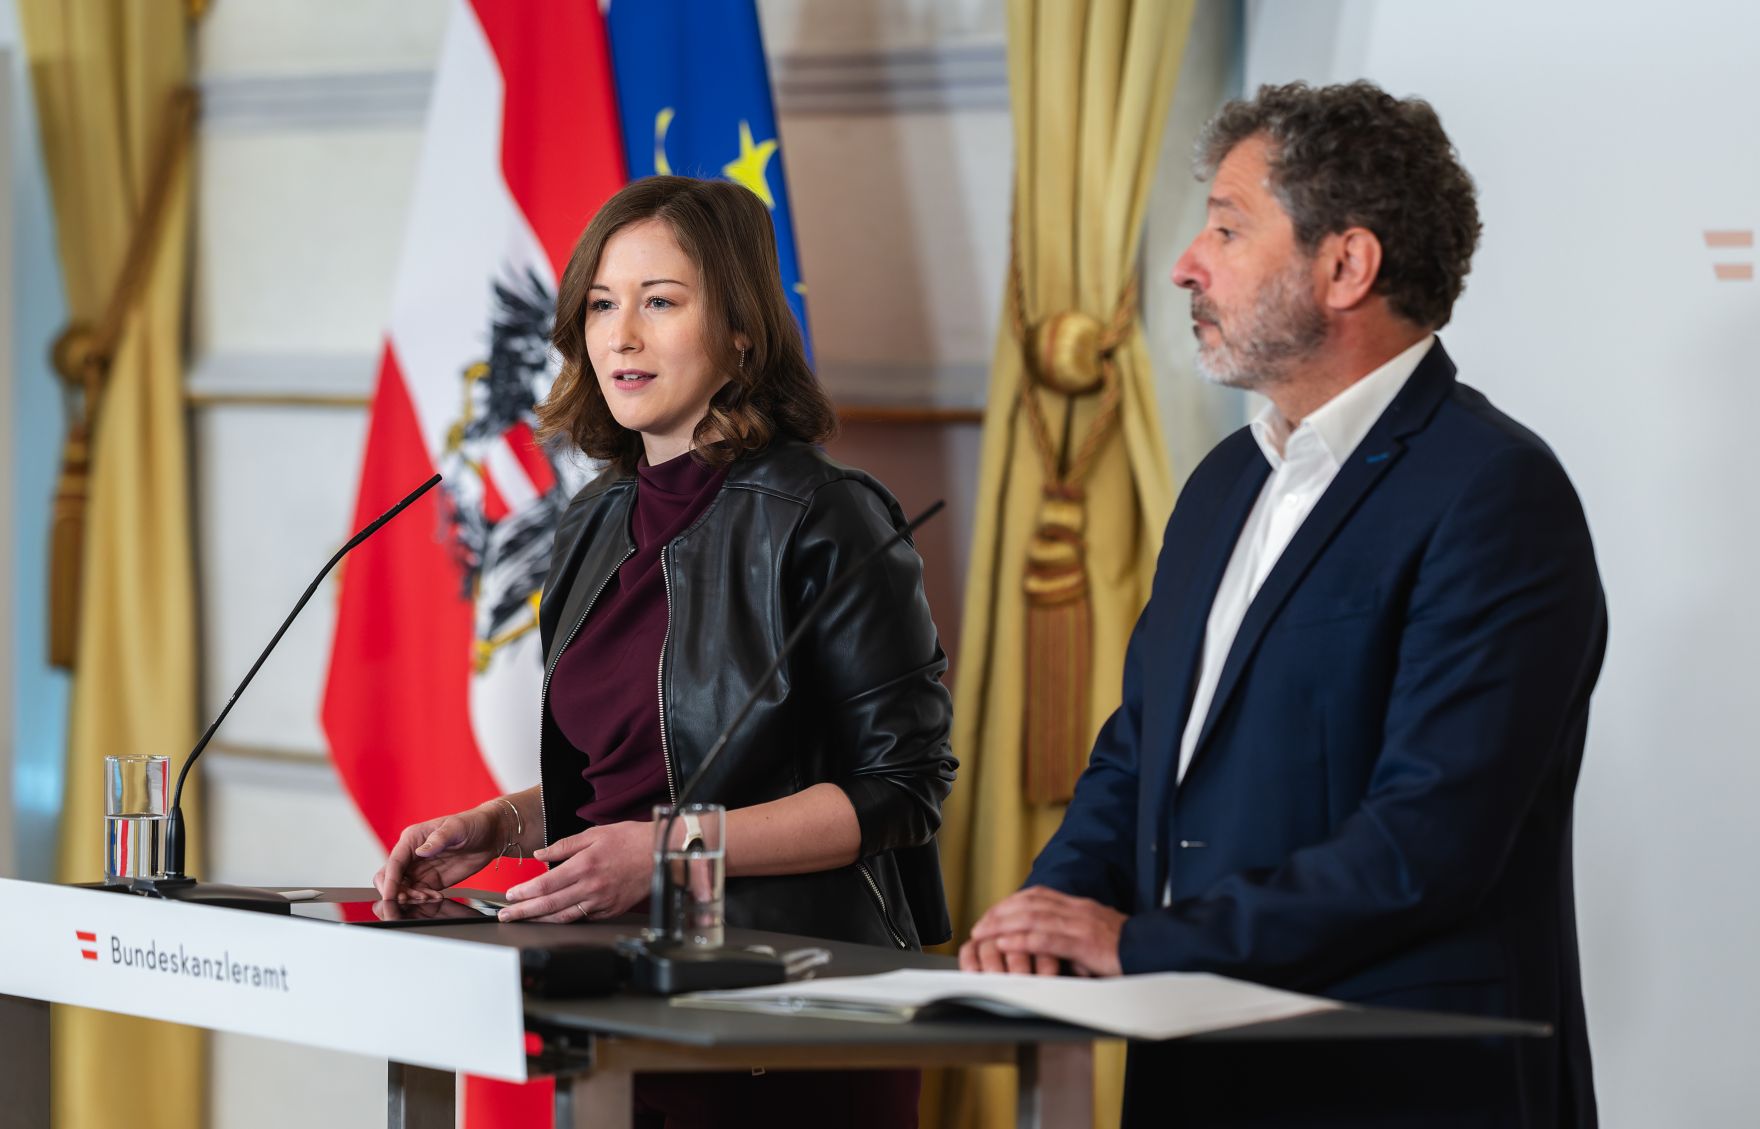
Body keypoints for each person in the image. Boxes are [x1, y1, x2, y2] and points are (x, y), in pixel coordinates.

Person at [962, 81, 1605, 1128]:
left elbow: (1425, 841)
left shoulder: (1492, 492)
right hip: (1195, 1064)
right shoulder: (1222, 482)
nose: (1183, 264)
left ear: (1345, 265)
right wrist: (1052, 912)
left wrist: (1136, 942)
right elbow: (1140, 752)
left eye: (1225, 227)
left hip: (1398, 1083)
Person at [374, 175, 956, 1128]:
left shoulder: (826, 515)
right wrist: (496, 827)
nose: (622, 336)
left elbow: (900, 786)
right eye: (602, 304)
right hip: (614, 994)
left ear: (740, 333)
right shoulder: (595, 516)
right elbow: (633, 773)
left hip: (788, 1006)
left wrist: (665, 853)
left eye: (661, 302)